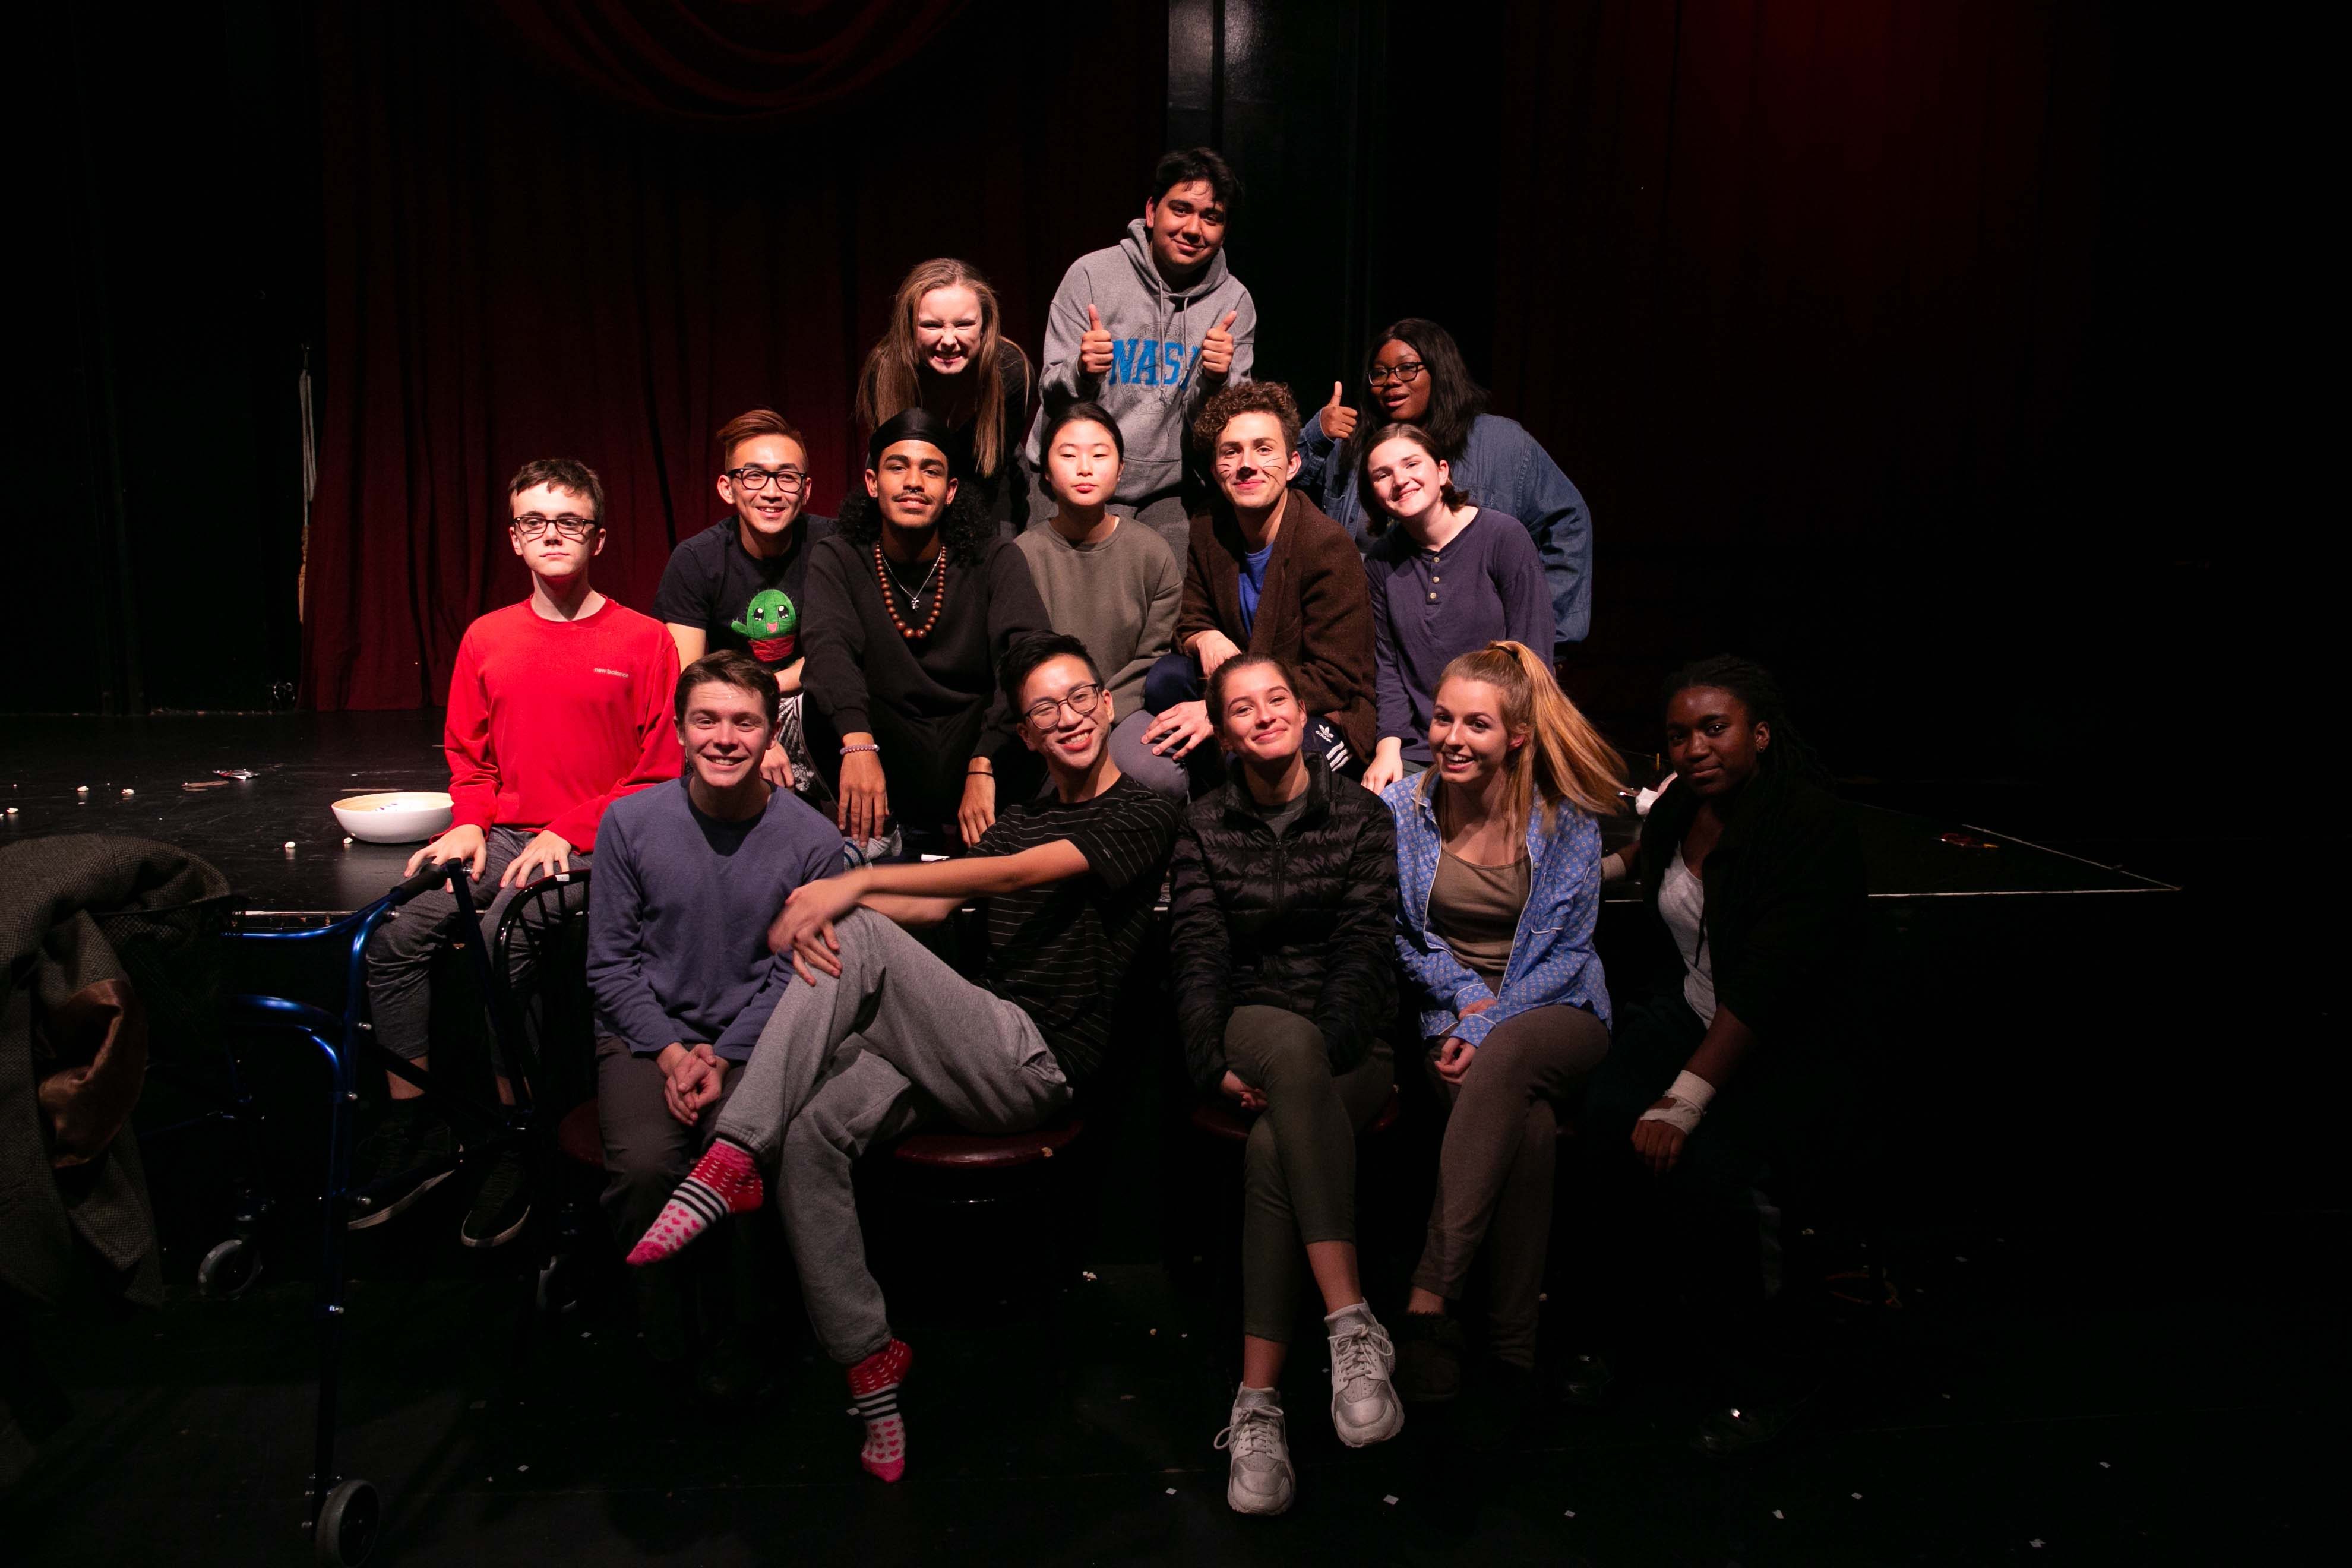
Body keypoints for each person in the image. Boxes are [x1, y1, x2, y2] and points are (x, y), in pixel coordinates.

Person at [626, 633, 1183, 1484]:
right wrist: (833, 899)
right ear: (1026, 734)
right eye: (1045, 709)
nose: (1068, 717)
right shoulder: (1022, 816)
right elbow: (938, 903)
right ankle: (869, 1363)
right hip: (969, 1048)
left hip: (1039, 1064)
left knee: (856, 931)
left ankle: (733, 1155)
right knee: (812, 1130)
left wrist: (851, 889)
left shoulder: (1144, 811)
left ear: (1108, 706)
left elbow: (1010, 879)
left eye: (1080, 698)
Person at [356, 458, 681, 1247]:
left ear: (598, 538)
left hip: (606, 842)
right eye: (536, 522)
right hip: (504, 835)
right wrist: (470, 821)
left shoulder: (644, 640)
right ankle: (417, 1127)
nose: (552, 535)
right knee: (392, 938)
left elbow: (659, 773)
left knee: (505, 931)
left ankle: (516, 1134)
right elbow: (470, 759)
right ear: (514, 537)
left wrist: (569, 831)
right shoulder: (487, 637)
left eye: (570, 522)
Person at [1569, 656, 1865, 1455]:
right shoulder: (1684, 807)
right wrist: (1575, 879)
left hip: (1776, 1038)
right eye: (1678, 736)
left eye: (1713, 729)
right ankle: (1629, 1334)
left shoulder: (1808, 827)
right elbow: (1647, 855)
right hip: (1692, 1011)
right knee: (1604, 1122)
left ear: (1759, 734)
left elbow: (1771, 982)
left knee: (1712, 1174)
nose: (1694, 748)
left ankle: (1771, 1377)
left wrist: (1684, 1100)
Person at [1166, 654, 1403, 1516]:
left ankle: (1257, 1404)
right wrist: (1212, 1063)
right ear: (1224, 733)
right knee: (1286, 1047)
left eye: (1277, 700)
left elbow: (1364, 953)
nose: (1264, 715)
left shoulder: (1363, 816)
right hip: (1250, 1028)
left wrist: (1317, 1058)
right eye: (1242, 708)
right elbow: (1197, 954)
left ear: (1304, 715)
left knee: (1277, 1144)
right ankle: (1352, 1322)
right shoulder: (1203, 823)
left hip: (1351, 1048)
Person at [584, 651, 847, 1390]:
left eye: (744, 723)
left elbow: (798, 974)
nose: (725, 739)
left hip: (754, 1043)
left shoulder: (814, 842)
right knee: (644, 1166)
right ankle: (667, 1332)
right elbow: (611, 965)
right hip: (646, 1037)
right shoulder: (629, 823)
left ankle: (745, 1334)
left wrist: (724, 1055)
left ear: (771, 736)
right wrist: (673, 1054)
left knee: (743, 1158)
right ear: (678, 731)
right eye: (706, 720)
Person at [1382, 641, 1623, 1401]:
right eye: (1443, 719)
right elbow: (1401, 935)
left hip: (1558, 1006)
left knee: (1511, 1055)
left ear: (1517, 736)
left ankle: (1430, 1299)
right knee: (1529, 1130)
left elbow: (1569, 951)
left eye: (1476, 724)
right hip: (1451, 1009)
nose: (1451, 738)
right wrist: (1463, 998)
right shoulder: (1402, 811)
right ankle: (1514, 1351)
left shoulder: (1565, 820)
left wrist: (1490, 1023)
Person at [801, 409, 1052, 854]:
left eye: (930, 471)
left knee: (1035, 694)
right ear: (873, 483)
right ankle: (881, 840)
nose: (914, 482)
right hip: (883, 736)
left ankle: (996, 844)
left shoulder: (995, 558)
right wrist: (857, 745)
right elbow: (828, 649)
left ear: (950, 491)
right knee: (821, 706)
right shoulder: (838, 556)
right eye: (898, 467)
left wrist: (985, 761)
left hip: (975, 736)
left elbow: (1026, 654)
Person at [1300, 318, 1594, 654]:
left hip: (1477, 653)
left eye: (1407, 368)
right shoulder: (1353, 446)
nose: (1392, 381)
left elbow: (1568, 523)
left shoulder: (1501, 444)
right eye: (1380, 373)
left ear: (1439, 370)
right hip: (1371, 646)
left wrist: (1543, 631)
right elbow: (1274, 486)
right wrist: (1317, 435)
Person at [1144, 380, 1375, 792]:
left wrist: (1225, 710)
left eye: (1264, 449)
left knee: (1263, 756)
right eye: (1231, 452)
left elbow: (1335, 678)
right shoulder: (1209, 526)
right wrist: (1204, 637)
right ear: (1215, 470)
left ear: (1292, 464)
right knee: (1166, 677)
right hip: (1241, 689)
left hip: (1318, 707)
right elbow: (1191, 619)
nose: (1247, 465)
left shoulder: (1326, 546)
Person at [1026, 148, 1255, 560]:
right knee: (1051, 585)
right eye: (1181, 210)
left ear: (1224, 231)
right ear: (1152, 212)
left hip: (1166, 488)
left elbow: (1224, 432)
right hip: (1074, 474)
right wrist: (1081, 373)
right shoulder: (1091, 275)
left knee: (1172, 582)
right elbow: (1051, 395)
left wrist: (1216, 382)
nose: (1193, 229)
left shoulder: (1233, 302)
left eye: (1211, 217)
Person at [1357, 423, 1554, 794]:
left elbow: (1533, 658)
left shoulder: (1503, 537)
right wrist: (1388, 747)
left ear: (1442, 471)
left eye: (1411, 464)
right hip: (1421, 746)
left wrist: (1516, 747)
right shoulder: (1381, 562)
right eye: (1383, 475)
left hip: (1499, 744)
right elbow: (1387, 667)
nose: (1400, 480)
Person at [653, 410, 837, 794]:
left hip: (814, 702)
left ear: (805, 490)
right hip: (727, 705)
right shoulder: (696, 560)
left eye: (787, 477)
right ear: (727, 488)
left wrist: (766, 695)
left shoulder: (831, 547)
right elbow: (689, 676)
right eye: (754, 476)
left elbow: (840, 653)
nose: (771, 492)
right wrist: (751, 732)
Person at [1015, 399, 1187, 798]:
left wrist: (1098, 711)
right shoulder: (1023, 554)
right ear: (1046, 471)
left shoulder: (1151, 551)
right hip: (1049, 715)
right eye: (1068, 455)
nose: (1085, 468)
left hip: (1122, 709)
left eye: (1099, 455)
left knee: (1160, 776)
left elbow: (1154, 654)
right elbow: (1020, 656)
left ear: (1121, 468)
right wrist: (1066, 712)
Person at [855, 258, 1033, 531]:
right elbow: (891, 464)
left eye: (964, 324)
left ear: (985, 326)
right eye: (932, 326)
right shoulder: (885, 372)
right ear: (909, 328)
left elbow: (989, 476)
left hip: (987, 483)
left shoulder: (1010, 371)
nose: (949, 341)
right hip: (910, 484)